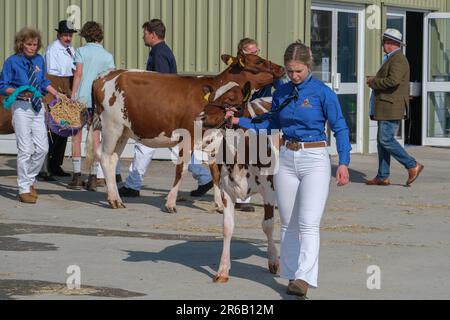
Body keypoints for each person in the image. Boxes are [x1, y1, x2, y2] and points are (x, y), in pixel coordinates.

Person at [226, 41, 351, 298]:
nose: (294, 76)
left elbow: (340, 127)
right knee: (288, 223)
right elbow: (270, 123)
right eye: (290, 71)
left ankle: (305, 278)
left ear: (309, 67)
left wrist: (345, 162)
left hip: (314, 158)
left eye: (299, 71)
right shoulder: (282, 92)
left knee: (308, 222)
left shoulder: (322, 93)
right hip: (285, 157)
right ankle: (292, 274)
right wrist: (240, 120)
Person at [118, 19, 178, 198]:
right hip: (165, 107)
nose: (143, 36)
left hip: (159, 108)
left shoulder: (159, 53)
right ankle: (204, 177)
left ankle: (132, 185)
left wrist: (150, 106)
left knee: (146, 143)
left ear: (152, 34)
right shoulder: (161, 51)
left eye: (145, 33)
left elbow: (161, 83)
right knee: (176, 146)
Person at [0, 27, 60, 203]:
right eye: (29, 44)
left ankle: (29, 179)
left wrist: (57, 94)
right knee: (25, 149)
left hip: (38, 106)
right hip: (20, 107)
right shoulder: (12, 62)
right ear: (21, 44)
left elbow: (43, 82)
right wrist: (19, 92)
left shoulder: (39, 60)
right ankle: (24, 189)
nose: (32, 47)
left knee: (43, 149)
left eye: (35, 44)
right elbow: (3, 86)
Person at [365, 29, 424, 186]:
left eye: (384, 41)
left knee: (385, 139)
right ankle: (383, 176)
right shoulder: (393, 58)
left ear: (390, 43)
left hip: (391, 106)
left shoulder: (398, 59)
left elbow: (393, 81)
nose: (382, 44)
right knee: (381, 141)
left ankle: (412, 165)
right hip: (386, 106)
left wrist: (373, 82)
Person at [67, 21, 115, 190]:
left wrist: (72, 95)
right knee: (96, 139)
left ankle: (77, 176)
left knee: (76, 137)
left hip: (81, 100)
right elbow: (108, 80)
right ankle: (93, 177)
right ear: (99, 36)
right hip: (98, 102)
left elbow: (78, 74)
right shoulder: (108, 56)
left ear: (85, 35)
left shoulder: (80, 51)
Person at [41, 20, 77, 179]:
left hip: (66, 92)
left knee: (63, 129)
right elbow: (51, 74)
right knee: (52, 130)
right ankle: (45, 167)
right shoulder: (52, 50)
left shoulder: (71, 49)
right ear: (59, 35)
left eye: (70, 35)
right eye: (65, 35)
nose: (68, 38)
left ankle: (56, 164)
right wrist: (59, 94)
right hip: (55, 91)